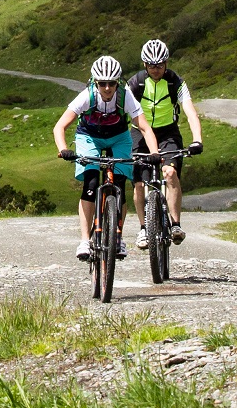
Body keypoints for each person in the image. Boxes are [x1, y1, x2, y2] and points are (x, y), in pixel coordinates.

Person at [53, 55, 161, 262]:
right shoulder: (86, 96)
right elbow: (60, 126)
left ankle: (117, 237)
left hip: (119, 138)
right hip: (89, 137)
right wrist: (64, 149)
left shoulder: (125, 96)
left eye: (112, 83)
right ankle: (85, 240)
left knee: (119, 185)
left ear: (118, 82)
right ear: (95, 82)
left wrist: (154, 153)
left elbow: (145, 128)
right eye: (102, 83)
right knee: (91, 183)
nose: (107, 88)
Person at [127, 39, 203, 249]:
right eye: (151, 65)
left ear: (166, 63)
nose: (156, 69)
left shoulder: (175, 82)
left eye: (160, 65)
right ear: (145, 64)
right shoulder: (135, 83)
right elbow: (122, 109)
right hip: (140, 132)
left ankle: (175, 224)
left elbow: (190, 111)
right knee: (139, 184)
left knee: (170, 173)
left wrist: (197, 139)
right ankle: (144, 228)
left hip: (168, 132)